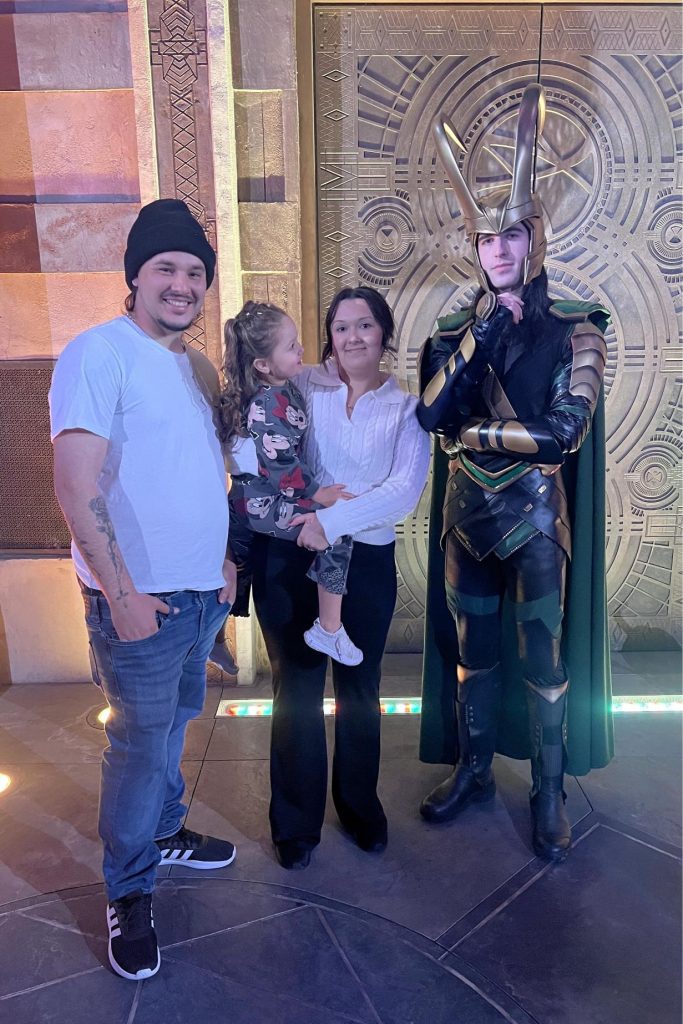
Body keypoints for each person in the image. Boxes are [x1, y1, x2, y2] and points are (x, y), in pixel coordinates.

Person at [417, 85, 613, 862]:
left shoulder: (575, 331)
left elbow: (562, 435)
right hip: (466, 518)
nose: (496, 250)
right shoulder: (451, 334)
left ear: (534, 240)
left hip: (534, 518)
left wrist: (472, 432)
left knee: (543, 660)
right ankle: (472, 772)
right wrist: (482, 335)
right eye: (483, 239)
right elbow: (430, 415)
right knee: (473, 652)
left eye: (510, 236)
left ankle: (547, 791)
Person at [49, 199, 238, 982]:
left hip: (198, 597)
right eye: (166, 268)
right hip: (140, 603)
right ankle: (129, 889)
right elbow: (75, 483)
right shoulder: (99, 352)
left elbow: (200, 472)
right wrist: (122, 596)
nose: (182, 283)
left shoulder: (196, 368)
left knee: (173, 729)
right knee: (137, 747)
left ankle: (165, 832)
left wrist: (222, 563)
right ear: (135, 275)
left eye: (195, 271)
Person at [248, 285, 430, 870]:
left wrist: (331, 521)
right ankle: (295, 825)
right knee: (296, 690)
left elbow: (402, 493)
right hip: (292, 557)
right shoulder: (304, 384)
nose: (353, 337)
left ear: (384, 334)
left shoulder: (407, 408)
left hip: (367, 562)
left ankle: (359, 808)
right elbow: (261, 432)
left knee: (360, 690)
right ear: (329, 336)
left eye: (365, 325)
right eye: (341, 326)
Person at [219, 301, 362, 666]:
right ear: (263, 365)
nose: (301, 349)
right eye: (291, 346)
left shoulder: (281, 386)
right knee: (336, 528)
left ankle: (215, 636)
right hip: (260, 502)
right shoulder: (269, 404)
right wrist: (317, 494)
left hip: (248, 499)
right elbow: (280, 463)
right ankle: (329, 628)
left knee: (237, 568)